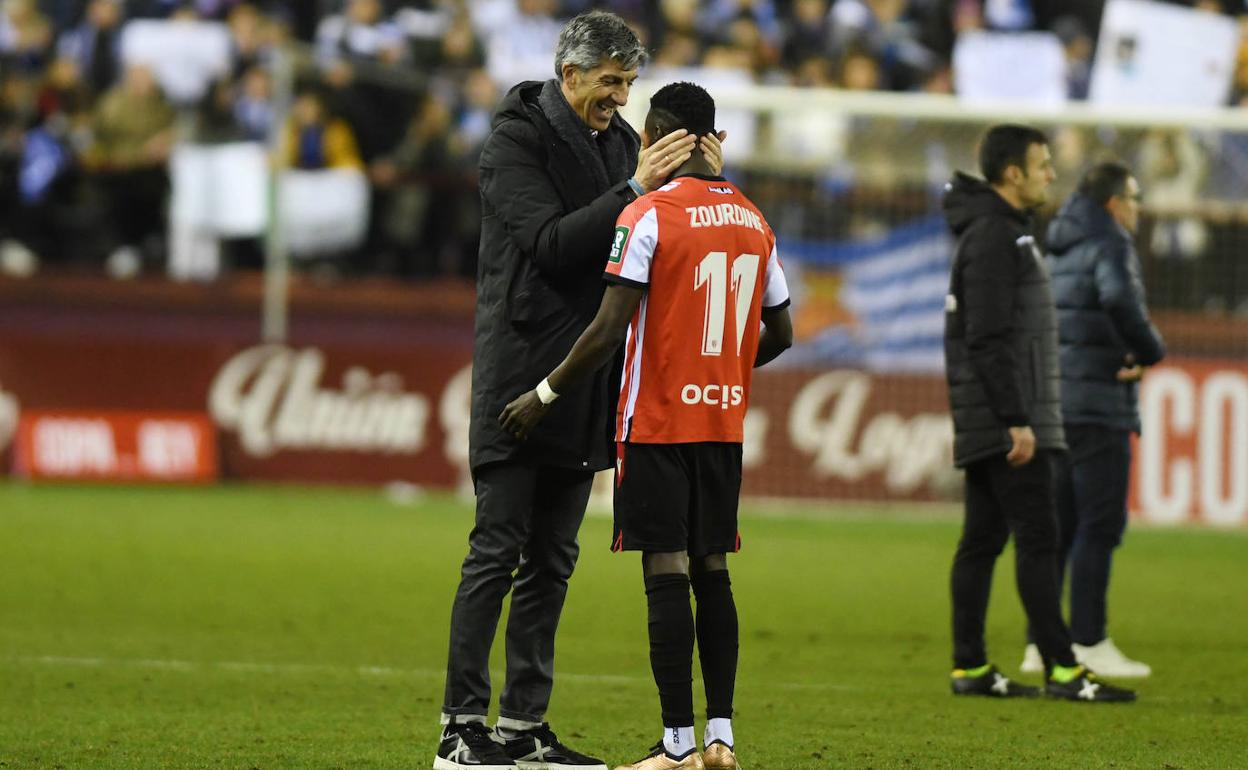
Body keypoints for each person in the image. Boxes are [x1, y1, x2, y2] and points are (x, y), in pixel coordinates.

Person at [436, 11, 724, 770]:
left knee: (554, 560)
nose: (620, 97)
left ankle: (524, 730)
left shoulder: (624, 146)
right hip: (521, 375)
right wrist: (636, 187)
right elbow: (552, 246)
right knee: (496, 550)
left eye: (628, 84)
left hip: (587, 382)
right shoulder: (514, 142)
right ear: (569, 75)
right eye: (609, 82)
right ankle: (460, 731)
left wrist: (703, 180)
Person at [501, 81, 793, 770]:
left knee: (665, 569)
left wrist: (543, 393)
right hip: (722, 423)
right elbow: (780, 331)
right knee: (713, 568)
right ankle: (721, 740)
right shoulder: (755, 219)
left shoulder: (652, 216)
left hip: (658, 420)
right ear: (713, 138)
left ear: (658, 135)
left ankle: (677, 747)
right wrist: (719, 367)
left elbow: (606, 331)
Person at [941, 124, 1135, 703]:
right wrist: (1015, 418)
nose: (1053, 174)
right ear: (1012, 174)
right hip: (1009, 418)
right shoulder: (997, 236)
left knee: (982, 538)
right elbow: (988, 337)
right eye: (1043, 164)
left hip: (998, 413)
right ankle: (1062, 669)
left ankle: (971, 667)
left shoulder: (1002, 233)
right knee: (1040, 537)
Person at [1017, 162, 1165, 678]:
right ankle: (1088, 639)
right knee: (1099, 525)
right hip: (1100, 401)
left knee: (1060, 526)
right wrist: (1149, 350)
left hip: (1057, 404)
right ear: (1113, 203)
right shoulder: (1111, 243)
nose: (1138, 208)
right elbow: (1121, 299)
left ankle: (1042, 642)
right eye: (1134, 198)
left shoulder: (1056, 242)